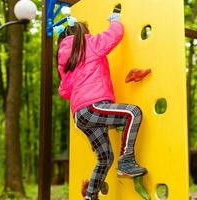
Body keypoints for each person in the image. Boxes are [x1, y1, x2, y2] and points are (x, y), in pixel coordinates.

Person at [55, 13, 147, 200]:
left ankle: (89, 197)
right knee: (133, 113)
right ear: (83, 33)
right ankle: (127, 160)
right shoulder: (90, 43)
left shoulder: (65, 60)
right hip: (93, 106)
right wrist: (115, 20)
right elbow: (115, 35)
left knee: (105, 157)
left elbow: (64, 91)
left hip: (80, 116)